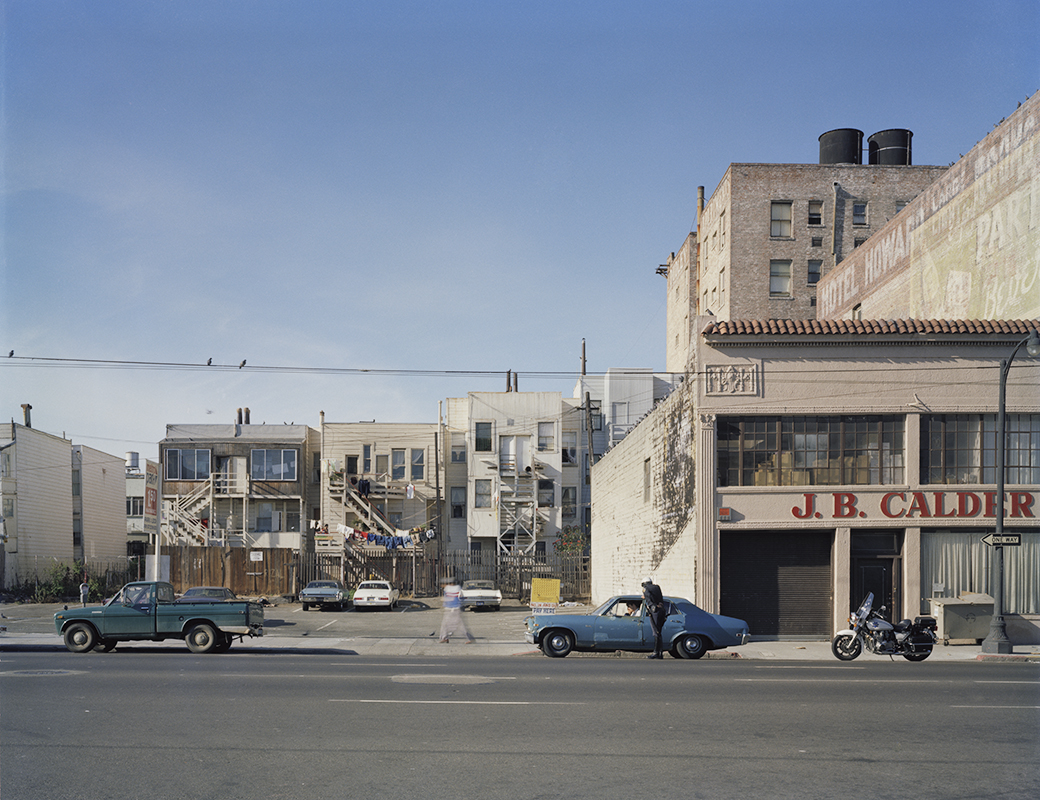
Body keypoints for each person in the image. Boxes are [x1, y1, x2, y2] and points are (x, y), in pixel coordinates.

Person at [438, 575, 474, 644]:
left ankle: (445, 637)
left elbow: (448, 598)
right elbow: (460, 598)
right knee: (457, 625)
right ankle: (445, 638)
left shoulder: (448, 588)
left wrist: (444, 600)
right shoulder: (458, 588)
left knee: (449, 624)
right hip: (455, 608)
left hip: (451, 609)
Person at [642, 576, 666, 659]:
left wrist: (652, 606)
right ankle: (660, 653)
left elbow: (649, 598)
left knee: (655, 632)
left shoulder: (645, 589)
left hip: (655, 611)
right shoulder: (657, 587)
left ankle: (655, 652)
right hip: (662, 610)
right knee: (659, 632)